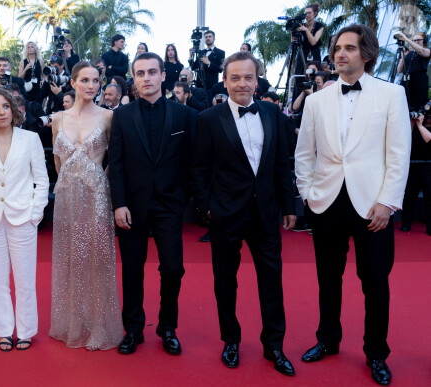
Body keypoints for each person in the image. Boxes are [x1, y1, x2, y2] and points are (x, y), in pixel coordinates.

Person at [295, 25, 411, 386]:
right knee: (327, 279)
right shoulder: (316, 101)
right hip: (326, 202)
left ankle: (376, 352)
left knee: (375, 282)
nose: (340, 54)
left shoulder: (393, 94)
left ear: (367, 53)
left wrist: (387, 202)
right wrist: (308, 195)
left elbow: (398, 153)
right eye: (336, 48)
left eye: (349, 48)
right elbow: (303, 154)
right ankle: (327, 340)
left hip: (372, 205)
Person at [191, 51, 296, 375]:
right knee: (226, 282)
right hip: (226, 214)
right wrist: (207, 208)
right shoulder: (208, 119)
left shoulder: (274, 113)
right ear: (225, 81)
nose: (242, 84)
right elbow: (199, 169)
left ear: (257, 79)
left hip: (265, 213)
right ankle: (231, 340)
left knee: (272, 282)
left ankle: (274, 346)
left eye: (248, 77)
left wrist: (289, 204)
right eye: (235, 78)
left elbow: (281, 164)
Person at [109, 52, 196, 356]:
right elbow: (116, 163)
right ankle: (133, 329)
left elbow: (190, 161)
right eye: (140, 73)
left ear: (163, 75)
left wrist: (182, 197)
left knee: (173, 268)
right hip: (132, 205)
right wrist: (118, 203)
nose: (146, 78)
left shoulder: (185, 115)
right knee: (132, 270)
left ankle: (167, 327)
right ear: (133, 78)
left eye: (152, 72)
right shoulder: (121, 115)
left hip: (169, 206)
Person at [50, 61, 123, 350]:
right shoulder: (58, 119)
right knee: (72, 260)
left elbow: (115, 160)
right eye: (85, 80)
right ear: (73, 81)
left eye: (95, 80)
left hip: (97, 197)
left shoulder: (107, 117)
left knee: (99, 261)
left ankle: (99, 326)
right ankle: (74, 321)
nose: (91, 85)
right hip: (67, 197)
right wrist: (70, 183)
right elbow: (57, 162)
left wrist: (97, 182)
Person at [0, 89, 48, 352]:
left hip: (23, 218)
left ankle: (25, 330)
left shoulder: (31, 139)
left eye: (5, 106)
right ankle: (4, 330)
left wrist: (35, 214)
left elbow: (42, 179)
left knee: (25, 279)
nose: (1, 112)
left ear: (14, 109)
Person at [401, 109, 431, 235]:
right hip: (412, 165)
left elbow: (429, 139)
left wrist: (420, 125)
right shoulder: (414, 123)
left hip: (428, 165)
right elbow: (406, 137)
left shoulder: (425, 126)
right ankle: (406, 224)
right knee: (409, 196)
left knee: (429, 197)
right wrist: (413, 122)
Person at [397, 31, 430, 111]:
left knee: (417, 108)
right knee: (403, 107)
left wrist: (406, 39)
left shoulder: (427, 51)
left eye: (419, 40)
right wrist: (404, 56)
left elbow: (421, 51)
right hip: (407, 82)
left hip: (419, 83)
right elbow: (399, 70)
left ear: (424, 41)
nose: (416, 42)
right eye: (414, 40)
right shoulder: (410, 53)